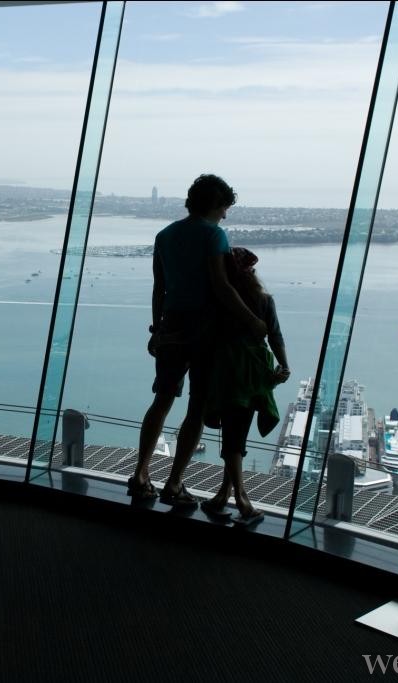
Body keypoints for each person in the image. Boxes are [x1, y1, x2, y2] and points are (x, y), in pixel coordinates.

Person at [128, 175, 267, 507]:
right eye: (224, 208)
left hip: (171, 327)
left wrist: (157, 328)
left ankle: (141, 474)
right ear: (215, 205)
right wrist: (252, 320)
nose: (225, 216)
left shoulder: (165, 236)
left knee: (161, 400)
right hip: (205, 330)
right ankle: (174, 483)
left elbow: (158, 288)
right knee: (197, 407)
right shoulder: (213, 235)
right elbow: (221, 286)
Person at [200, 246, 290, 526]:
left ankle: (238, 498)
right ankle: (227, 495)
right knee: (237, 433)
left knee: (233, 434)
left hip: (227, 370)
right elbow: (275, 336)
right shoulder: (264, 300)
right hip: (256, 372)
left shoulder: (220, 300)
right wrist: (284, 366)